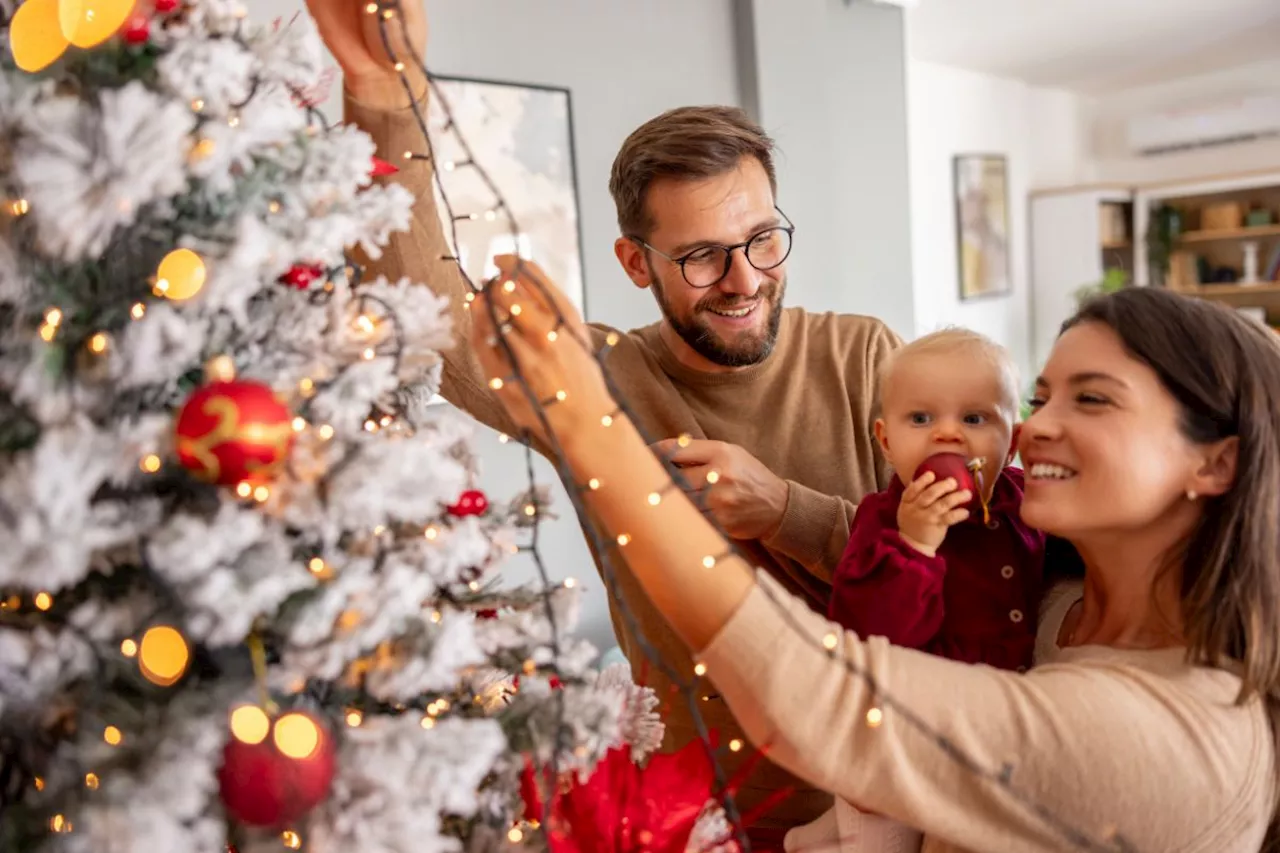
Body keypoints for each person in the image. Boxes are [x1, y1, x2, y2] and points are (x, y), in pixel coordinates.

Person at [307, 0, 902, 835]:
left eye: (763, 238)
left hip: (882, 809)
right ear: (634, 262)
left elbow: (955, 569)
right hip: (699, 822)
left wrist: (785, 511)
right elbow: (426, 320)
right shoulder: (593, 376)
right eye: (700, 256)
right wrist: (380, 92)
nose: (743, 279)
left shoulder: (867, 355)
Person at [469, 266, 1278, 852]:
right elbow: (874, 569)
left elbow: (816, 694)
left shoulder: (1173, 734)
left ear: (1215, 464)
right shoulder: (1068, 592)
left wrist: (587, 423)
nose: (1030, 431)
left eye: (1091, 398)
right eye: (1040, 399)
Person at [787, 329, 1046, 853]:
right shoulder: (881, 522)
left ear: (1012, 442)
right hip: (907, 738)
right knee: (883, 835)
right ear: (886, 441)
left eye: (974, 419)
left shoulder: (1031, 505)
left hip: (994, 735)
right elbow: (870, 634)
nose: (947, 435)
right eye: (921, 419)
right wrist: (915, 545)